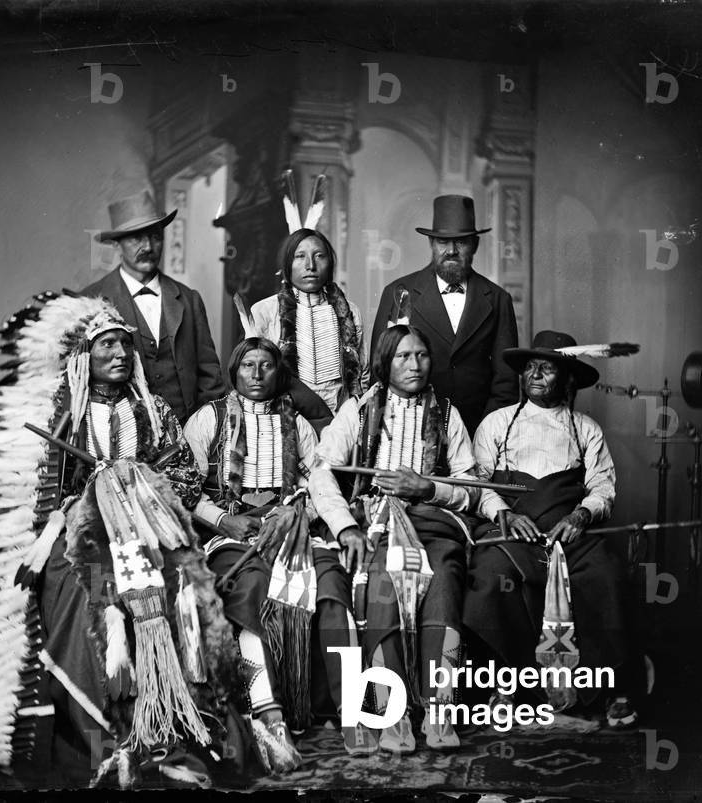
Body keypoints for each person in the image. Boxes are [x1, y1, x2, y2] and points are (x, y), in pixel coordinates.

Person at [28, 299, 244, 786]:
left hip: (154, 531)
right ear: (86, 355)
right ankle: (111, 741)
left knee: (185, 597)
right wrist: (93, 498)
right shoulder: (69, 416)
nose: (122, 352)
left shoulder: (154, 409)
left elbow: (186, 479)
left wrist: (137, 484)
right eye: (108, 343)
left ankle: (181, 729)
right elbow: (49, 493)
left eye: (126, 343)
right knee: (83, 599)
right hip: (86, 539)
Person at [183, 337, 375, 766]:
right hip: (233, 528)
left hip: (290, 523)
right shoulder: (206, 420)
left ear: (278, 372)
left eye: (266, 365)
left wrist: (301, 511)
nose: (256, 374)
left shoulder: (299, 425)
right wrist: (222, 520)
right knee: (247, 585)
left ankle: (351, 710)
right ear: (234, 372)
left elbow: (319, 481)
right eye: (247, 365)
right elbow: (183, 488)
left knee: (329, 581)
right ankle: (270, 716)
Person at [309, 324, 479, 755]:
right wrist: (346, 527)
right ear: (385, 363)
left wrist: (427, 489)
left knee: (444, 577)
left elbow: (470, 485)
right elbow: (322, 472)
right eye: (403, 356)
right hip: (377, 523)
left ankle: (440, 707)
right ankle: (392, 709)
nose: (415, 365)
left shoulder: (446, 414)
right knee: (382, 580)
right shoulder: (359, 410)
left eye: (422, 355)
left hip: (433, 524)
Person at [462, 330, 638, 728]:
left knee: (606, 575)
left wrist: (580, 517)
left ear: (567, 378)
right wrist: (503, 513)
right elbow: (479, 485)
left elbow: (602, 487)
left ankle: (610, 689)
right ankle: (504, 686)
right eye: (530, 368)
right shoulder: (497, 423)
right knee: (491, 579)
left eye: (547, 368)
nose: (536, 375)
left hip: (568, 534)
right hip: (513, 533)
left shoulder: (586, 428)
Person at [370, 195, 519, 437]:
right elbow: (380, 370)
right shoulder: (399, 292)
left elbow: (506, 384)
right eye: (442, 241)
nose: (451, 251)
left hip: (477, 432)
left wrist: (487, 435)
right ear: (431, 243)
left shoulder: (498, 299)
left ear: (475, 245)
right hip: (409, 433)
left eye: (461, 242)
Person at [82, 190, 226, 423]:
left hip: (187, 435)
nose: (148, 246)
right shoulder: (91, 300)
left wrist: (206, 430)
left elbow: (210, 376)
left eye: (155, 236)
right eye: (136, 238)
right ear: (117, 244)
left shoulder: (188, 299)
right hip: (122, 439)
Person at [251, 228, 370, 416]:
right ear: (287, 264)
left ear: (330, 263)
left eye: (319, 256)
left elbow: (362, 374)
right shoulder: (264, 311)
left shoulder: (350, 311)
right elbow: (254, 376)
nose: (310, 265)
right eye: (300, 256)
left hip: (340, 420)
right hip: (284, 418)